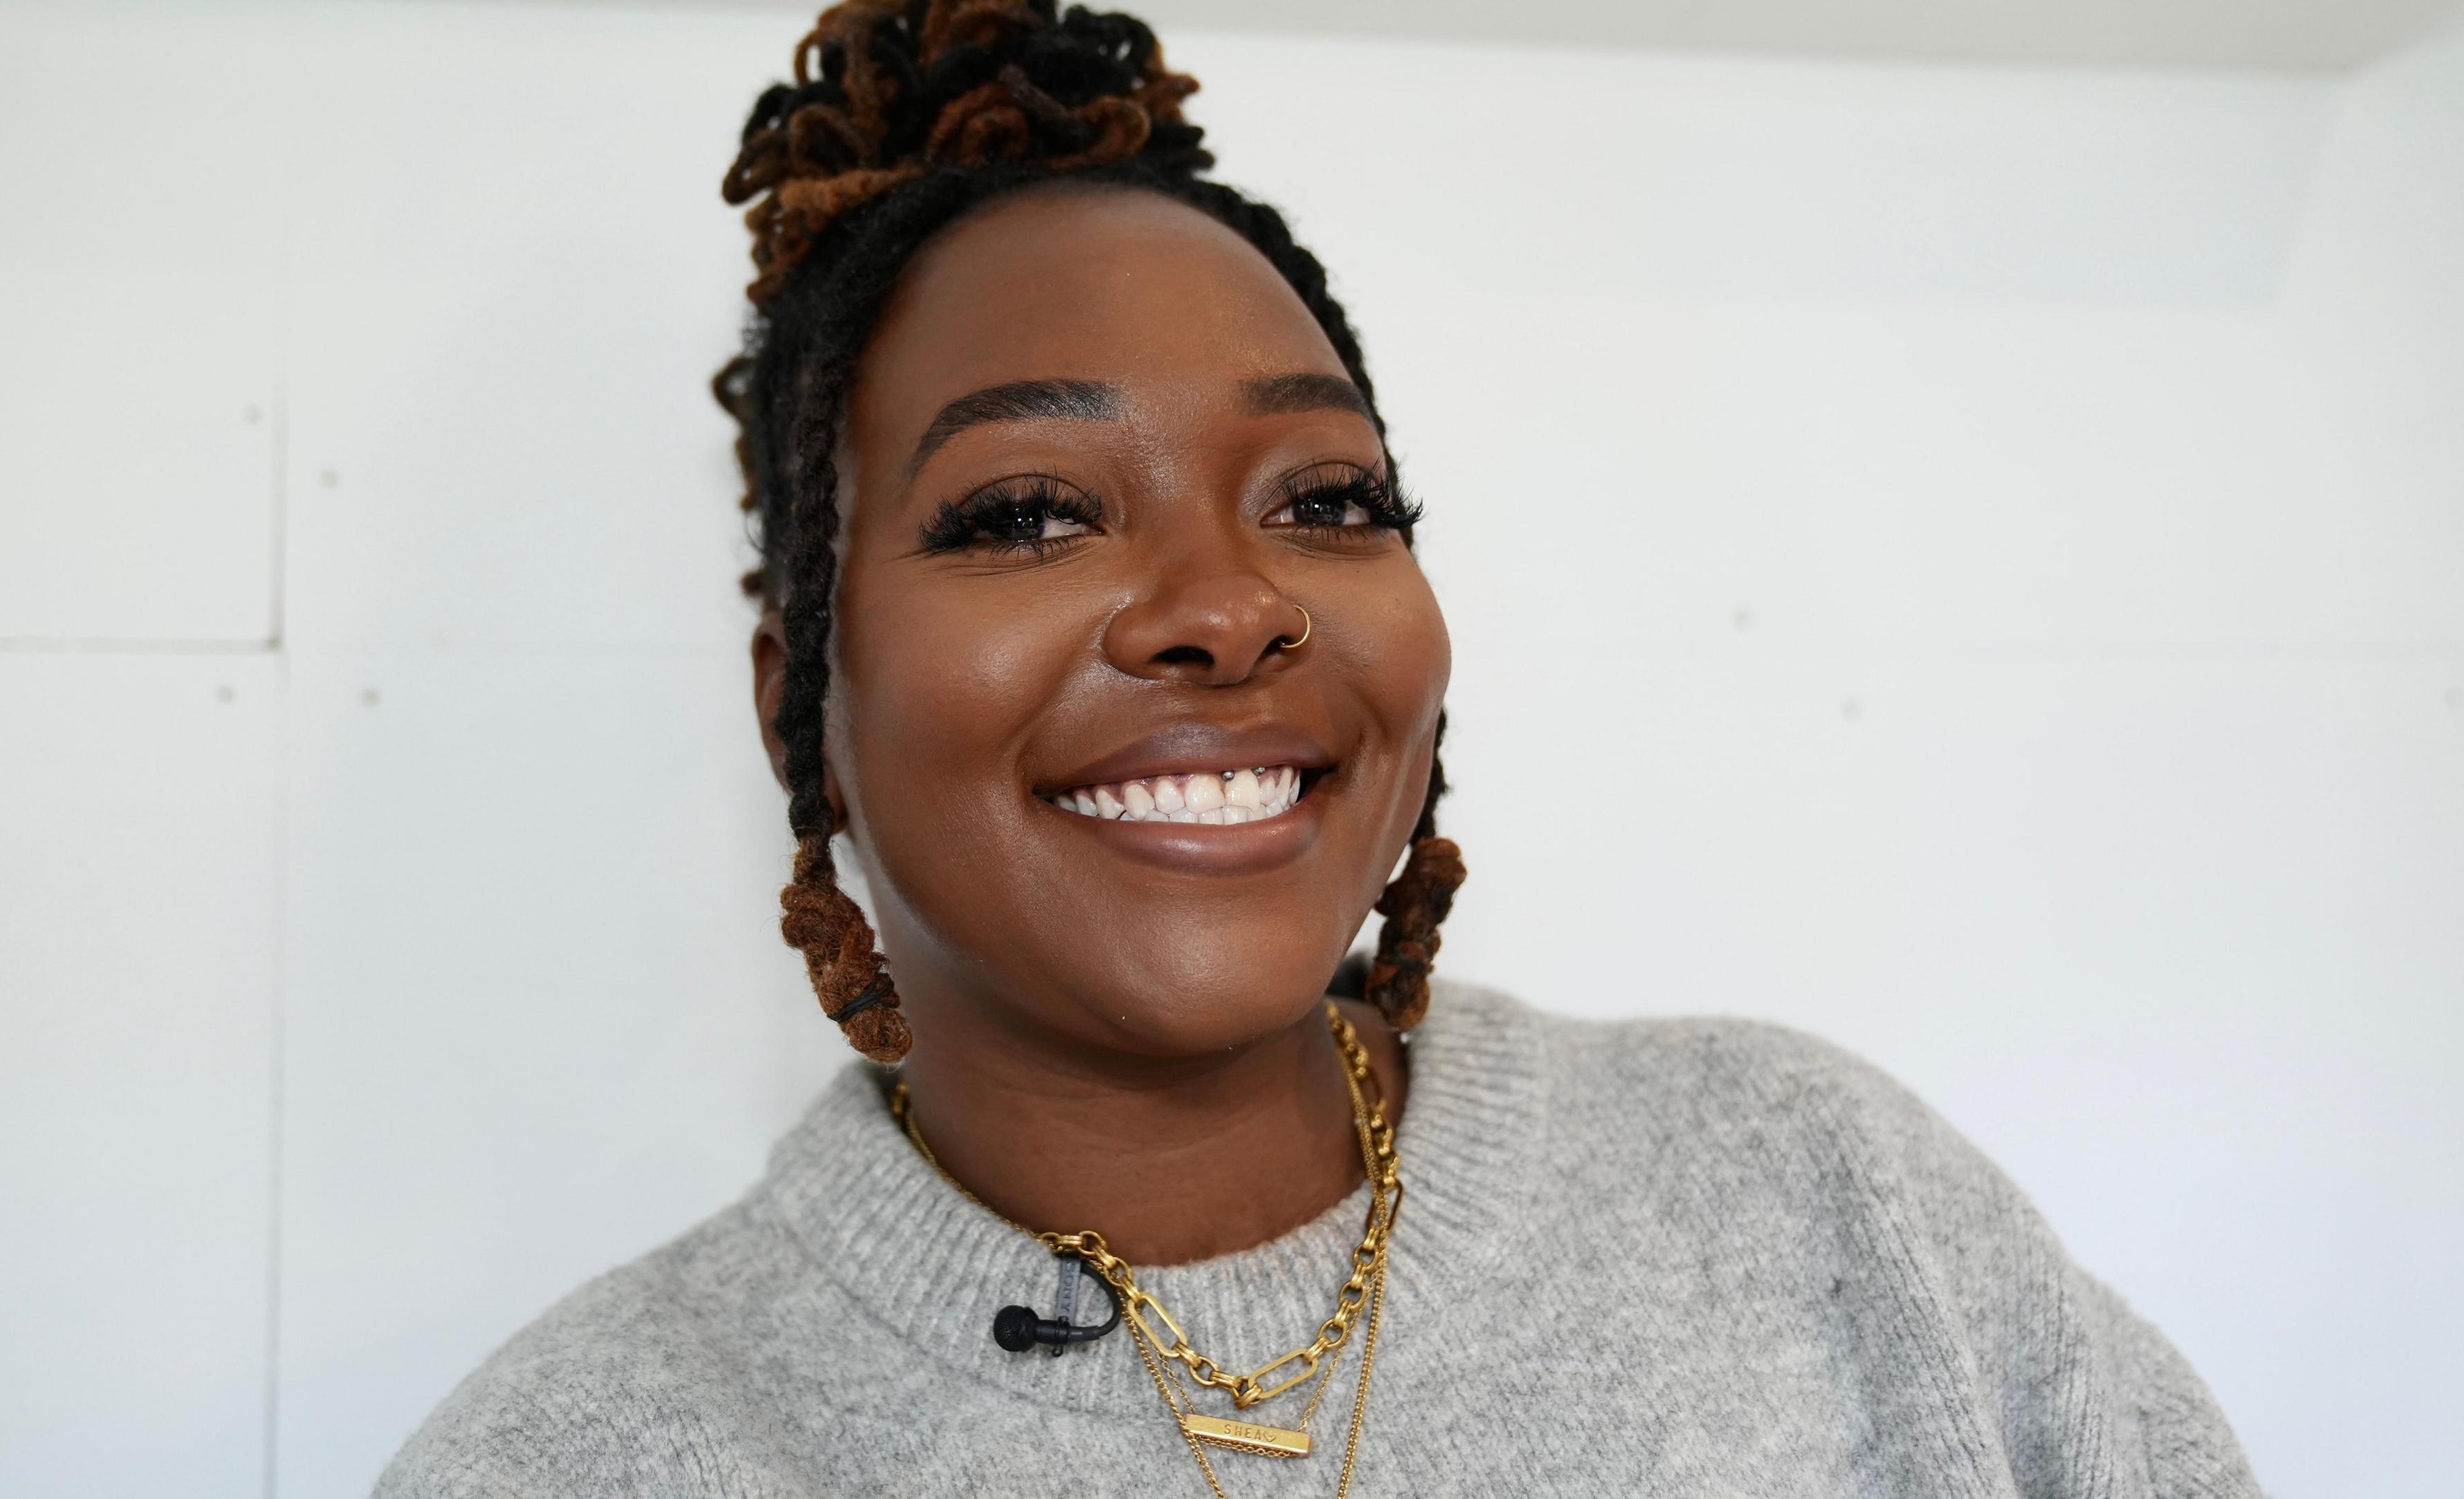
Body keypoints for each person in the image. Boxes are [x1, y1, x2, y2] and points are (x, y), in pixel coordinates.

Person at [380, 1, 2262, 1493]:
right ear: (801, 700)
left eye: (1329, 498)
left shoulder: (1817, 1197)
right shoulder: (588, 1456)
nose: (1228, 605)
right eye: (1028, 512)